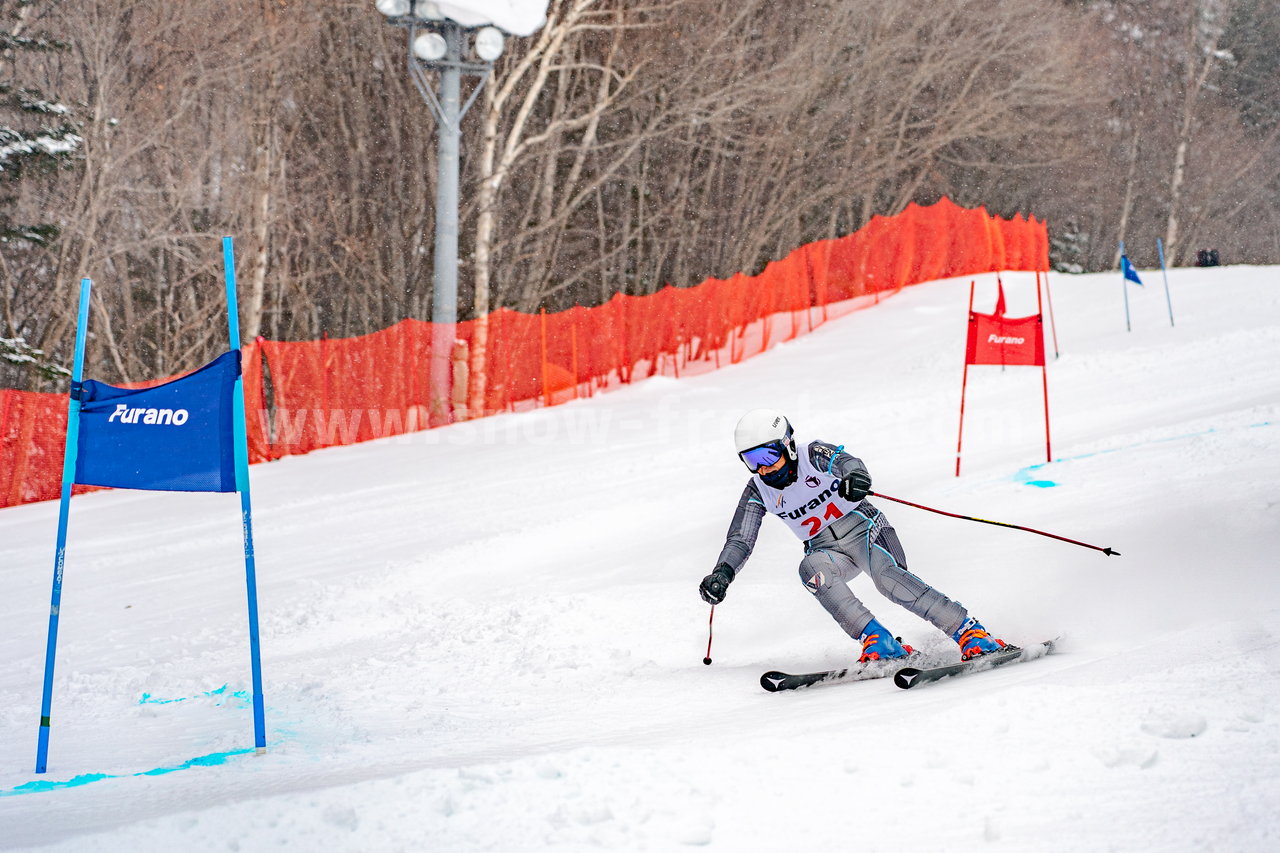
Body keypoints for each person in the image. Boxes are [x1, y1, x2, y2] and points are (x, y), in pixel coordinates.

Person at [699, 408, 1007, 663]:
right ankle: (878, 640)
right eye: (752, 462)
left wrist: (855, 479)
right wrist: (722, 573)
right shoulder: (759, 489)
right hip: (826, 550)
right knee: (811, 571)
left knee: (888, 579)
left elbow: (848, 463)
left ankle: (968, 630)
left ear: (788, 445)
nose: (763, 469)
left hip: (866, 530)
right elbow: (741, 538)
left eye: (767, 456)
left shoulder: (812, 454)